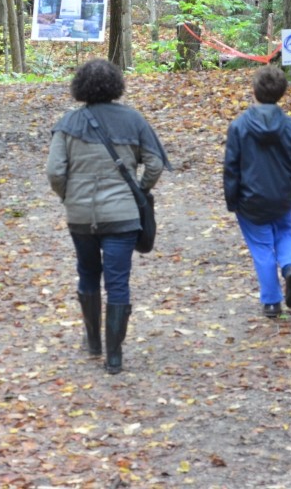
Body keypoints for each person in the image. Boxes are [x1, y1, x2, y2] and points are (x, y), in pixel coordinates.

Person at [47, 59, 170, 374]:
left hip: (81, 216)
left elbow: (55, 171)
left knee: (88, 274)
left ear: (80, 87)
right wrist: (138, 191)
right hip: (123, 217)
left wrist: (67, 196)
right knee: (118, 282)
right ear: (116, 85)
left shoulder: (68, 124)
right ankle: (114, 357)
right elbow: (155, 164)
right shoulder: (134, 120)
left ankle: (93, 342)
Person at [223, 65, 291, 318]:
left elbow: (232, 167)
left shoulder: (239, 126)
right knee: (284, 233)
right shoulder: (289, 125)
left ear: (254, 91)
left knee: (261, 246)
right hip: (282, 195)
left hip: (251, 199)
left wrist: (232, 199)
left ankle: (272, 301)